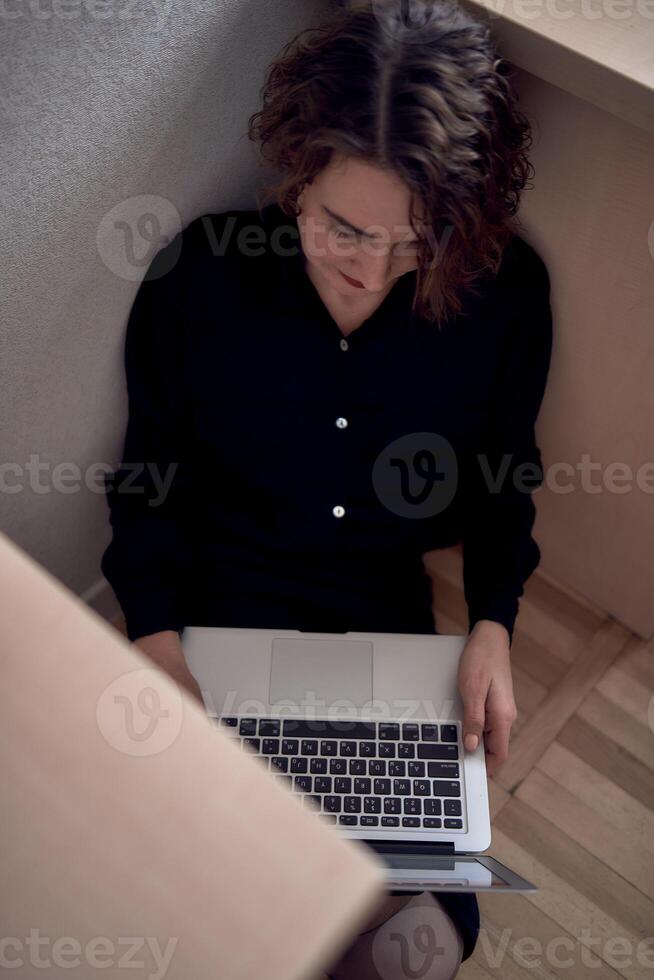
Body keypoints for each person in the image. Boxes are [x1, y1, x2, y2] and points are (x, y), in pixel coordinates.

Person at [101, 1, 553, 975]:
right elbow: (148, 482)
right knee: (194, 899)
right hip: (222, 618)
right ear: (297, 172)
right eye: (346, 227)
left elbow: (506, 478)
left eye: (413, 240)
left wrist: (495, 624)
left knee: (431, 933)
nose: (374, 269)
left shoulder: (503, 296)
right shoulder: (203, 278)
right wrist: (155, 644)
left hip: (386, 625)